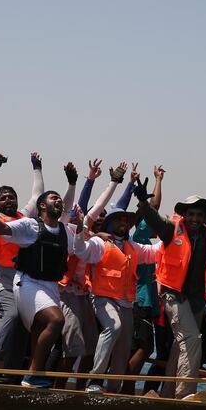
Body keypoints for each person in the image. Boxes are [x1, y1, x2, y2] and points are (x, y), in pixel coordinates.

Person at [0, 171, 78, 389]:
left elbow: (71, 242)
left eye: (60, 199)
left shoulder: (65, 232)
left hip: (51, 286)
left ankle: (29, 378)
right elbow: (4, 228)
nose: (58, 201)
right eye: (53, 198)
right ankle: (32, 371)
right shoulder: (30, 226)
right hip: (27, 283)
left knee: (39, 330)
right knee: (56, 321)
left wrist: (73, 185)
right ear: (42, 206)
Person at [135, 179, 206, 399]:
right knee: (192, 339)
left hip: (196, 300)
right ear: (185, 215)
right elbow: (154, 220)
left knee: (180, 346)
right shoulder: (171, 229)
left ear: (205, 218)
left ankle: (167, 394)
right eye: (191, 214)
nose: (195, 219)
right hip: (172, 294)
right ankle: (185, 394)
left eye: (199, 215)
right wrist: (143, 202)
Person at [56, 161, 127, 389]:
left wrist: (114, 182)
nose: (80, 216)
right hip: (65, 292)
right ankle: (58, 390)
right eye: (74, 214)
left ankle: (82, 390)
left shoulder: (88, 229)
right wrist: (82, 182)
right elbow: (72, 210)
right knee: (74, 343)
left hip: (83, 293)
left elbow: (99, 205)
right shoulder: (66, 230)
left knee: (92, 344)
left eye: (82, 215)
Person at [74, 207, 160, 394]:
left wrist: (173, 232)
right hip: (102, 299)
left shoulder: (133, 247)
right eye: (118, 219)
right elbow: (80, 250)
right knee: (114, 327)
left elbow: (155, 251)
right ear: (110, 223)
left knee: (123, 346)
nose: (123, 223)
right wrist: (80, 228)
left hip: (126, 304)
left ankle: (113, 388)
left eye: (126, 220)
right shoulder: (99, 243)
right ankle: (94, 380)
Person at [0, 152, 44, 382]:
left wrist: (37, 168)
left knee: (25, 323)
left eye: (11, 197)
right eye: (3, 198)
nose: (8, 200)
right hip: (0, 279)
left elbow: (37, 196)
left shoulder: (22, 219)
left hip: (23, 279)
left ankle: (11, 374)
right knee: (12, 314)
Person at [112, 165, 165, 394]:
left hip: (144, 302)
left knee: (137, 346)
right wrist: (158, 181)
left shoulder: (142, 242)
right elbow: (153, 207)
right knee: (144, 346)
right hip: (139, 302)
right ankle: (127, 386)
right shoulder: (139, 236)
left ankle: (128, 387)